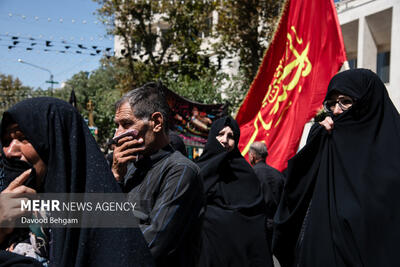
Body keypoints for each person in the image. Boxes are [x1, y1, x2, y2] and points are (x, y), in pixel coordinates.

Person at [0, 97, 154, 266]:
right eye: (6, 141)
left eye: (23, 138)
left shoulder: (98, 219)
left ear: (57, 144)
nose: (10, 151)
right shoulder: (8, 205)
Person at [273, 69, 400, 267]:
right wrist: (315, 143)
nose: (337, 110)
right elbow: (293, 193)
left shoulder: (393, 155)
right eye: (331, 103)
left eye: (345, 101)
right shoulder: (327, 144)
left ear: (368, 103)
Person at [111, 83, 204, 267]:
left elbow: (153, 242)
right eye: (117, 126)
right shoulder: (130, 168)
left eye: (126, 124)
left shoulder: (181, 171)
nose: (117, 134)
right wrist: (115, 178)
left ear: (157, 122)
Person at [196, 116, 274, 267]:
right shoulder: (196, 171)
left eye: (231, 136)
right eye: (220, 134)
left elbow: (255, 221)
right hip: (202, 255)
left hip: (238, 257)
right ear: (212, 136)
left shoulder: (246, 175)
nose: (224, 140)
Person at [248, 142, 284, 247]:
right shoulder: (278, 175)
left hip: (257, 226)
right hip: (276, 225)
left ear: (252, 156)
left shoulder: (250, 174)